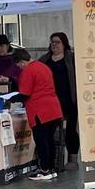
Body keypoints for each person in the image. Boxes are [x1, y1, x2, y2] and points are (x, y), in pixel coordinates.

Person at [11, 48, 64, 181]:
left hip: (39, 111)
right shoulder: (43, 67)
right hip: (53, 108)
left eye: (18, 65)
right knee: (50, 140)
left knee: (42, 141)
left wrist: (10, 99)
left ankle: (44, 170)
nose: (19, 68)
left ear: (22, 62)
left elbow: (25, 94)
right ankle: (51, 169)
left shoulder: (28, 71)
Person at [39, 32, 79, 170]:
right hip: (49, 102)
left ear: (64, 44)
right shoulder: (44, 60)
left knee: (71, 131)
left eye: (57, 42)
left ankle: (73, 159)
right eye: (52, 42)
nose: (54, 44)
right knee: (49, 132)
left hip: (69, 100)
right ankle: (52, 161)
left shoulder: (72, 59)